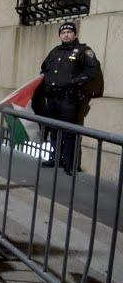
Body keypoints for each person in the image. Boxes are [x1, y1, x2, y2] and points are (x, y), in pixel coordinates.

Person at [40, 21, 99, 175]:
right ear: (60, 35)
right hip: (52, 97)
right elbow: (44, 69)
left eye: (69, 32)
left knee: (69, 131)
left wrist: (74, 83)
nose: (66, 34)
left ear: (75, 34)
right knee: (53, 129)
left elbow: (92, 72)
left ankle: (69, 164)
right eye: (63, 32)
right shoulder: (55, 51)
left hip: (69, 99)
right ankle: (55, 158)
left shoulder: (83, 51)